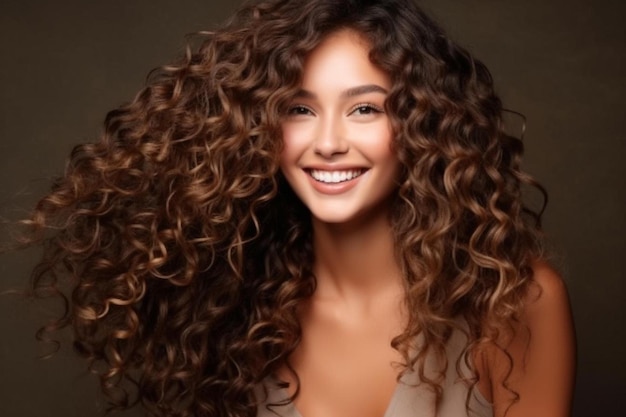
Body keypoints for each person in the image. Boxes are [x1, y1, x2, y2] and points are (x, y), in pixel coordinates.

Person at [20, 0, 575, 416]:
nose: (328, 142)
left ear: (423, 125)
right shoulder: (231, 307)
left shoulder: (512, 303)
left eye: (364, 108)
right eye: (299, 109)